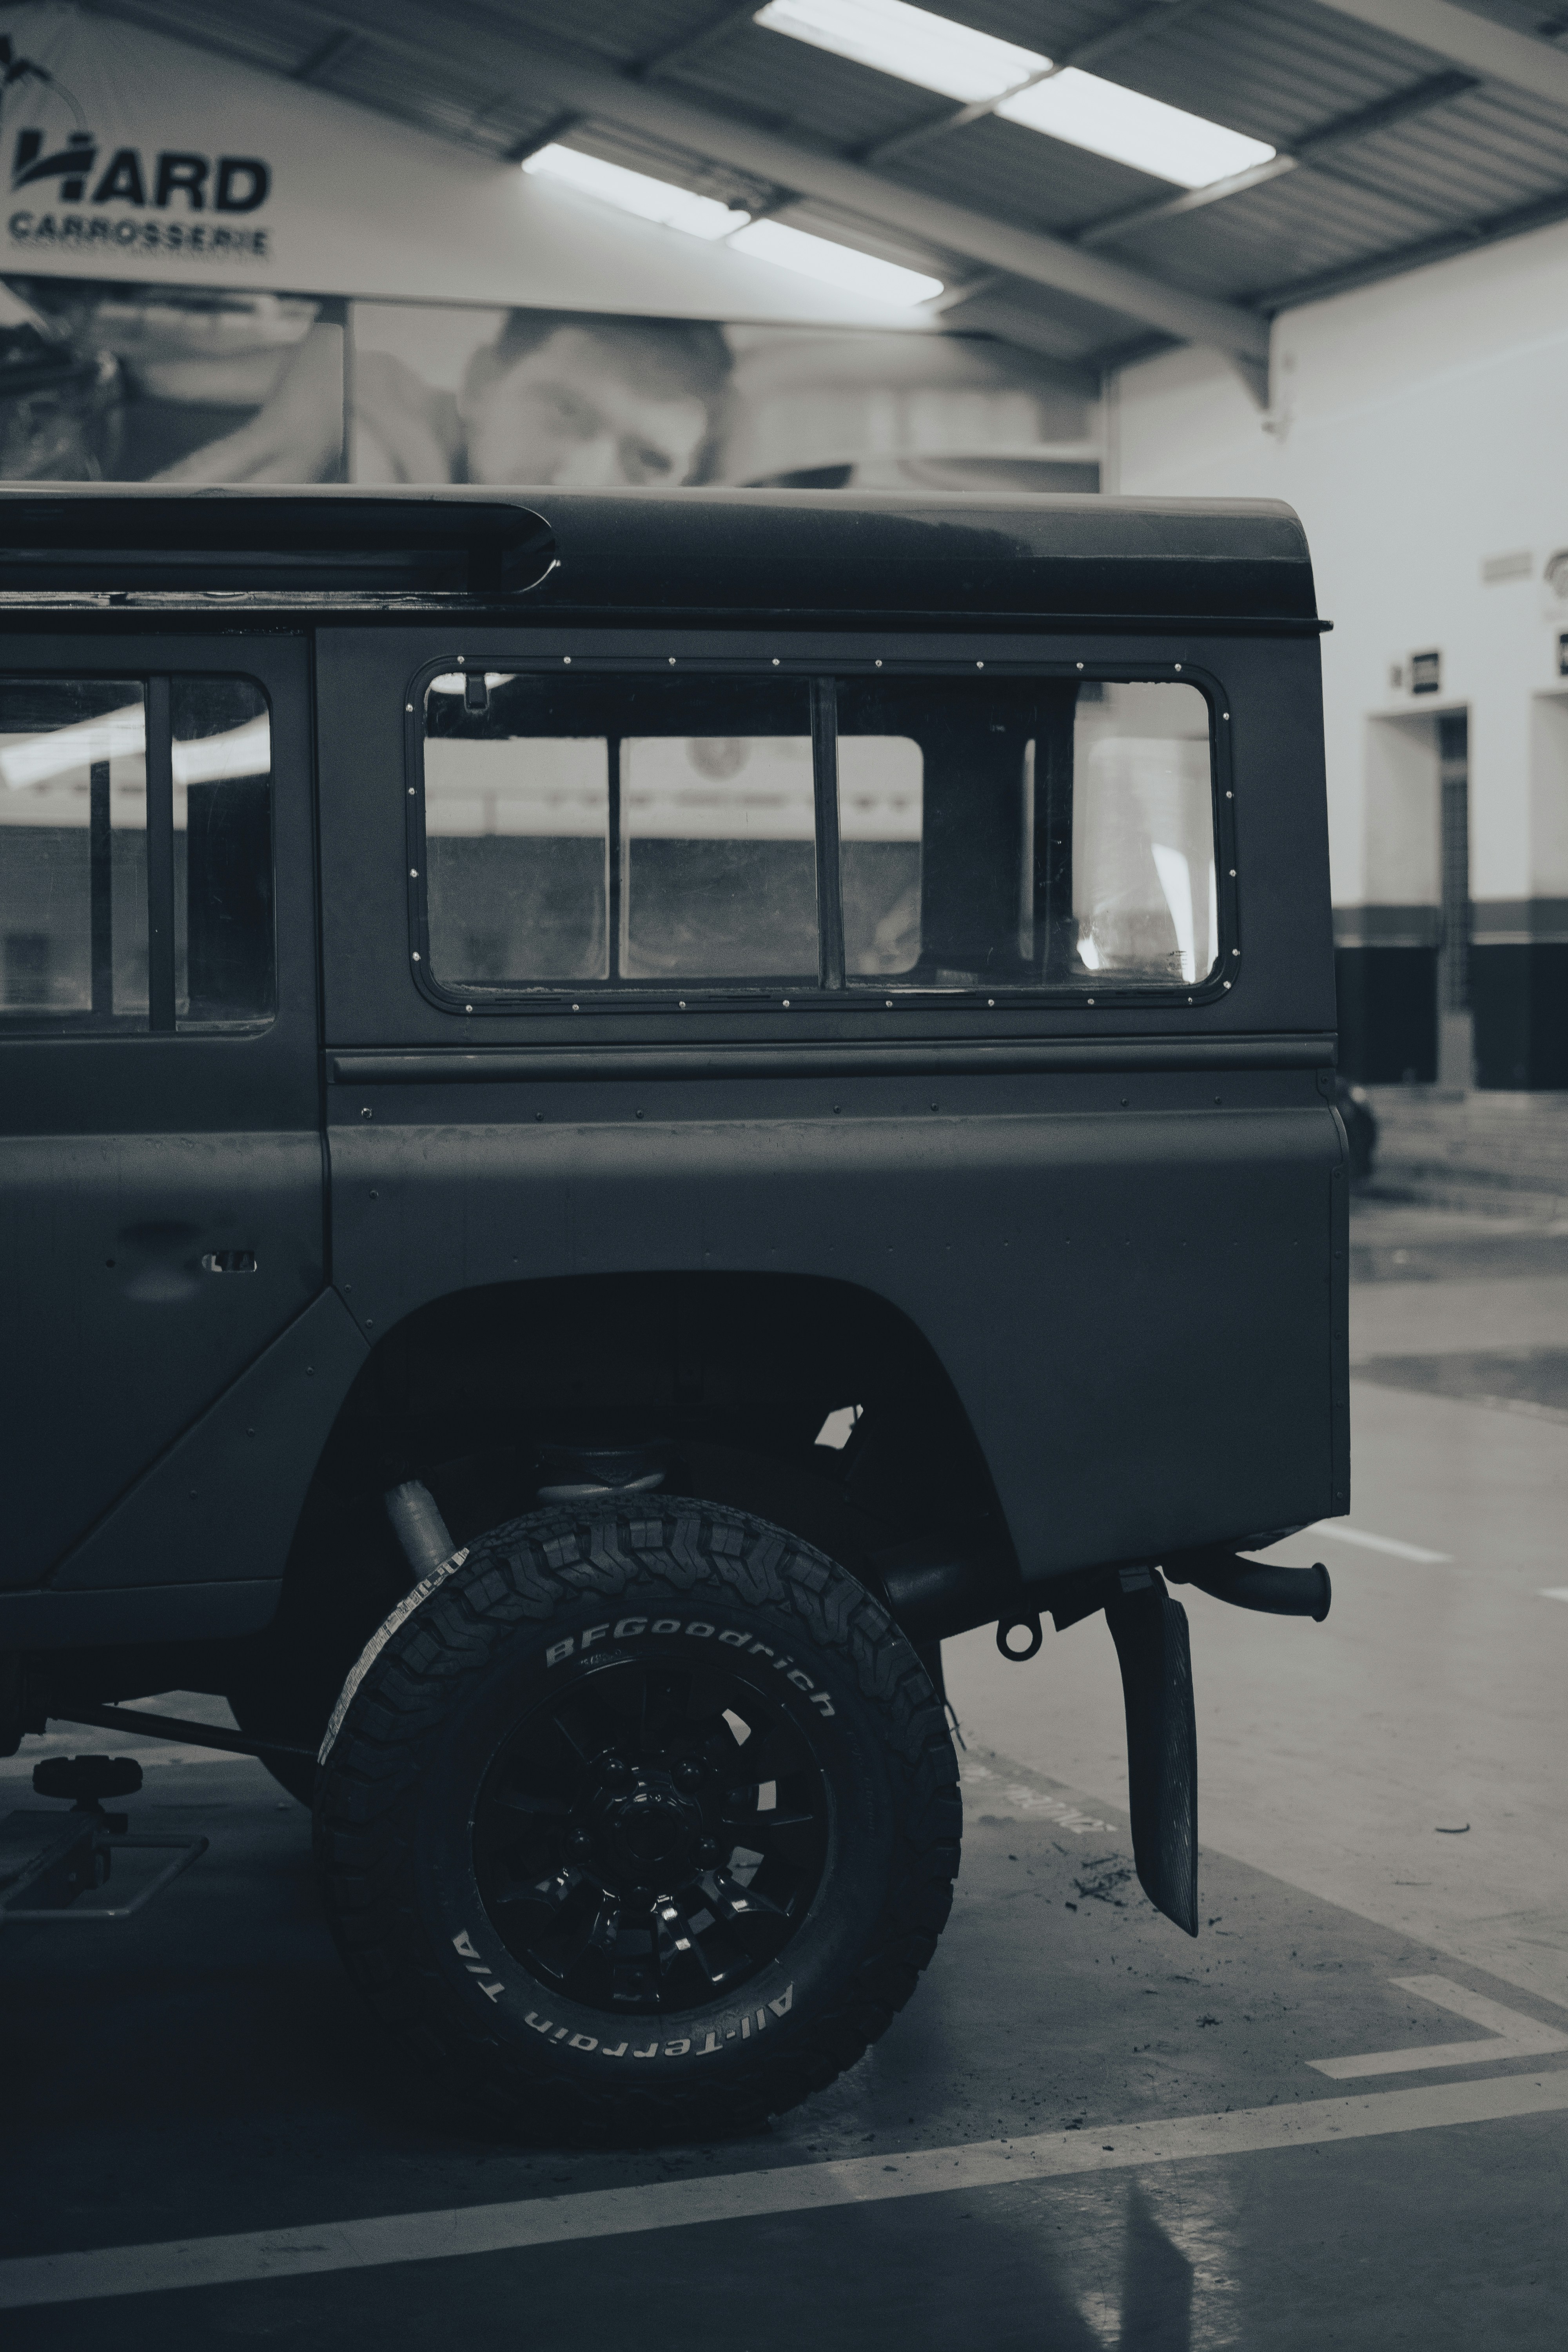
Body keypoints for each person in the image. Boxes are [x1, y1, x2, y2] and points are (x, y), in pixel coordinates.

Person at [156, 307, 733, 487]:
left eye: (649, 461)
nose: (578, 479)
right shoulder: (331, 451)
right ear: (481, 385)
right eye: (564, 411)